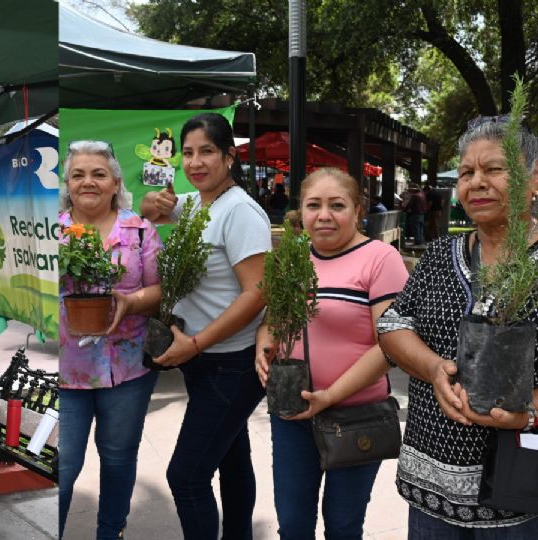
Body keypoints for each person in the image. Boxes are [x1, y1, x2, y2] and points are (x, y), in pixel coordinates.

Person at [377, 116, 538, 535]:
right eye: (467, 173)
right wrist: (432, 368)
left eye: (495, 169)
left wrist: (529, 412)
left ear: (533, 179)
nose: (477, 182)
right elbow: (393, 324)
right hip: (431, 491)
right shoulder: (440, 254)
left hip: (520, 496)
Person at [255, 168, 409, 538]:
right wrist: (264, 343)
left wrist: (330, 397)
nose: (324, 215)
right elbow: (273, 320)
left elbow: (392, 344)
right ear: (301, 212)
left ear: (358, 210)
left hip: (357, 416)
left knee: (342, 526)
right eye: (314, 205)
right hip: (292, 413)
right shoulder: (292, 257)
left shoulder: (380, 259)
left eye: (337, 205)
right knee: (292, 524)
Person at [140, 112, 270, 539]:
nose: (196, 162)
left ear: (229, 156)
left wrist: (195, 344)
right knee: (232, 459)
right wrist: (150, 205)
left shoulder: (241, 212)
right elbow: (150, 212)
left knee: (187, 476)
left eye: (207, 152)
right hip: (203, 361)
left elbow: (257, 293)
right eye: (189, 153)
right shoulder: (195, 203)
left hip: (230, 363)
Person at [58, 141, 163, 540]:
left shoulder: (140, 231)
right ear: (67, 184)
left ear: (115, 182)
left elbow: (159, 291)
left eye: (98, 174)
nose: (89, 181)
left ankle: (110, 532)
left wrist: (130, 300)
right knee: (64, 467)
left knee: (118, 459)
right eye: (78, 174)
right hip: (67, 373)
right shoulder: (50, 234)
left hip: (128, 369)